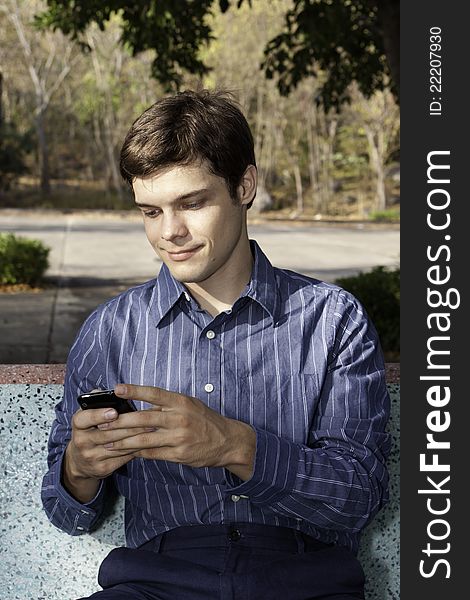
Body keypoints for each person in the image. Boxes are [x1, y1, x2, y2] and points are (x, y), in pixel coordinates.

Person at [41, 89, 391, 600]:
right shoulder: (110, 331)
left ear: (244, 185)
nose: (170, 233)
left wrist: (234, 446)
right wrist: (79, 468)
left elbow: (359, 496)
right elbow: (66, 513)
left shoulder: (333, 320)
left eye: (192, 203)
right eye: (150, 212)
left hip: (303, 582)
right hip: (155, 583)